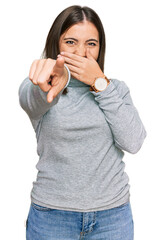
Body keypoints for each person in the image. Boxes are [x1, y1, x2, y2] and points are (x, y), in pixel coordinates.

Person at [18, 5, 146, 240]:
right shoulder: (40, 85)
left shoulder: (115, 89)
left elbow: (134, 142)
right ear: (56, 43)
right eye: (70, 42)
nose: (81, 52)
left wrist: (100, 84)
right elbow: (32, 99)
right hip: (51, 217)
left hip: (112, 218)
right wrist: (49, 84)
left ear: (100, 48)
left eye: (91, 44)